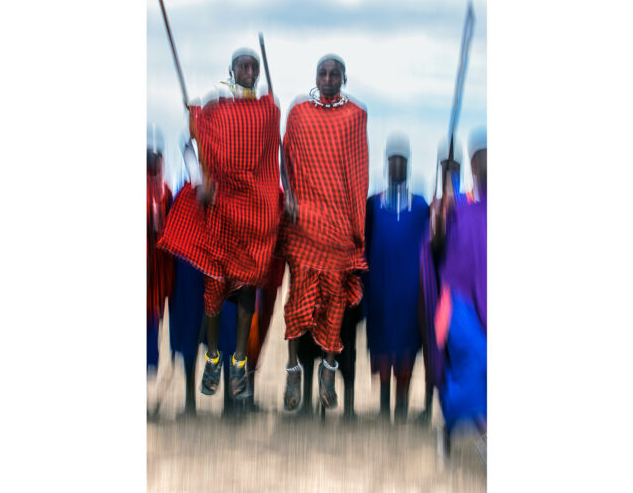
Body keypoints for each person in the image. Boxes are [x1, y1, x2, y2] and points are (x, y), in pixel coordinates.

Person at [158, 48, 281, 401]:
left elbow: (272, 154)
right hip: (219, 206)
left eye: (254, 67)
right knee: (214, 286)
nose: (248, 70)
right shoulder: (216, 108)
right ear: (232, 69)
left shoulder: (265, 112)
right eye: (243, 65)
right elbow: (190, 142)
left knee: (247, 287)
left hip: (252, 210)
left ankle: (239, 359)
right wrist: (199, 180)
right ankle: (212, 357)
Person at [279, 53, 369, 411]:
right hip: (304, 225)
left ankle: (329, 369)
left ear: (343, 79)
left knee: (334, 302)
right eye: (323, 72)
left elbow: (359, 173)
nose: (328, 78)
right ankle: (292, 370)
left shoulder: (355, 116)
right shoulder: (299, 112)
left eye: (335, 74)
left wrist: (356, 230)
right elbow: (285, 160)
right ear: (315, 75)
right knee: (298, 303)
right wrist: (289, 197)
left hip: (337, 228)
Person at [364, 132, 430, 423]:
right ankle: (383, 406)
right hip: (379, 290)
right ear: (386, 163)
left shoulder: (420, 208)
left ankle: (402, 407)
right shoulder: (372, 206)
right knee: (381, 347)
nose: (397, 167)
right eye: (393, 161)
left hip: (409, 293)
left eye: (402, 161)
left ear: (408, 164)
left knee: (406, 349)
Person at [430, 126, 487, 455]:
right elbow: (436, 250)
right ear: (474, 165)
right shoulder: (455, 208)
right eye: (480, 160)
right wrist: (440, 225)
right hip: (460, 303)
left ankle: (453, 428)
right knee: (478, 362)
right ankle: (476, 431)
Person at [418, 135, 472, 423]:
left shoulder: (468, 203)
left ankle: (462, 411)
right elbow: (432, 248)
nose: (450, 171)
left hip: (461, 293)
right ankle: (430, 405)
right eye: (445, 166)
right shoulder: (435, 204)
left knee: (460, 351)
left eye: (455, 166)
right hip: (436, 290)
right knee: (435, 348)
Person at [147, 124, 174, 417]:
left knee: (150, 342)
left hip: (154, 285)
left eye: (156, 154)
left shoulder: (164, 190)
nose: (152, 159)